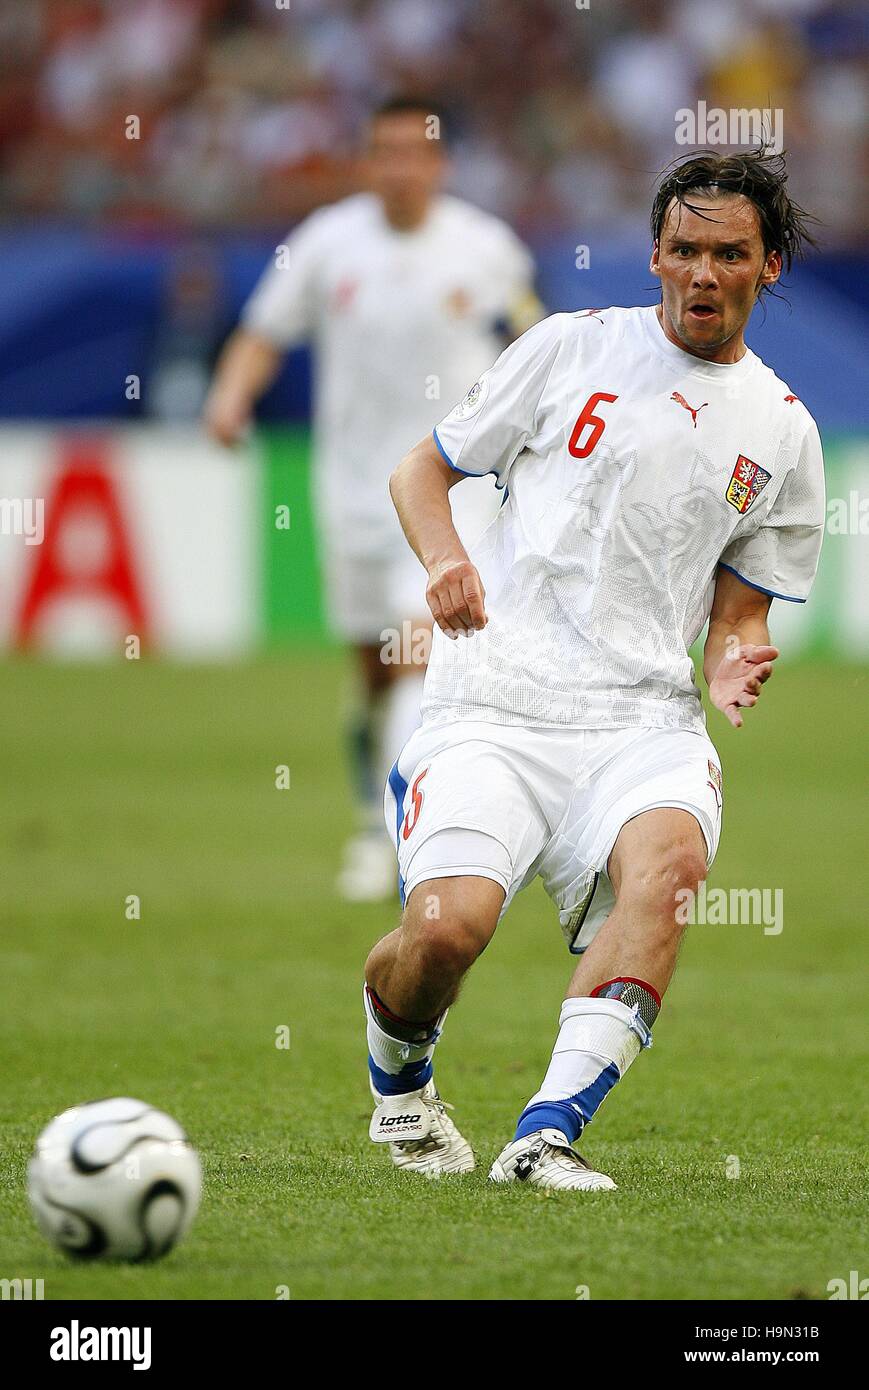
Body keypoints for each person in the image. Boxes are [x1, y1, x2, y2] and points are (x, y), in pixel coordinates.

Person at [363, 148, 825, 1188]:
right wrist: (444, 560)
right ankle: (400, 1084)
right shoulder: (567, 350)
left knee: (664, 882)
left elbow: (739, 609)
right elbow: (421, 468)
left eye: (728, 253)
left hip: (643, 721)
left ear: (769, 266)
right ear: (655, 256)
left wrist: (728, 662)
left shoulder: (785, 432)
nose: (702, 273)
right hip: (496, 698)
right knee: (442, 933)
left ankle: (544, 1135)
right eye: (683, 250)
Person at [204, 98, 542, 900]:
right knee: (374, 669)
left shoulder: (485, 247)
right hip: (351, 492)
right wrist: (228, 395)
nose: (398, 166)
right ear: (367, 161)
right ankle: (368, 816)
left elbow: (532, 346)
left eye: (413, 151)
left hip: (444, 492)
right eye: (383, 151)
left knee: (419, 651)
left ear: (440, 163)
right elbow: (261, 332)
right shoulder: (325, 242)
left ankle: (403, 838)